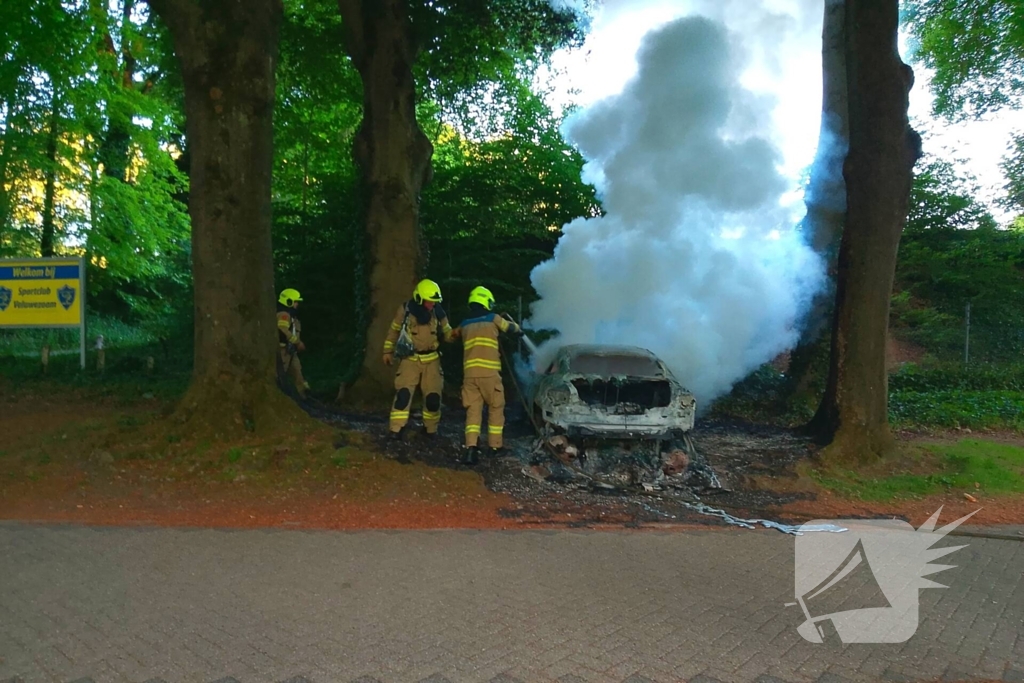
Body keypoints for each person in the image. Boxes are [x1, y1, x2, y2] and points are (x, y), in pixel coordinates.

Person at [456, 286, 523, 465]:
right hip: (489, 375)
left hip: (470, 377)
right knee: (495, 408)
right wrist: (518, 329)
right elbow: (510, 327)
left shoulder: (464, 324)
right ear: (485, 301)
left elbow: (451, 335)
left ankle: (471, 450)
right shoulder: (493, 318)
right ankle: (494, 447)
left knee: (473, 411)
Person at [383, 279, 456, 438]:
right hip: (410, 359)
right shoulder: (406, 310)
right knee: (403, 395)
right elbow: (394, 330)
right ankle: (396, 429)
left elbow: (448, 331)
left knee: (433, 397)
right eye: (429, 301)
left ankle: (430, 430)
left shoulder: (438, 311)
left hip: (432, 360)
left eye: (434, 302)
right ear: (419, 299)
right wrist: (387, 351)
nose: (432, 305)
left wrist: (455, 334)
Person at [277, 288, 309, 399]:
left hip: (291, 350)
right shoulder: (284, 314)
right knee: (281, 372)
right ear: (289, 301)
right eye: (296, 302)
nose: (297, 304)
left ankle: (304, 395)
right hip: (283, 350)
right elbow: (282, 329)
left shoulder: (291, 315)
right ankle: (279, 395)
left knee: (297, 370)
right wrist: (297, 342)